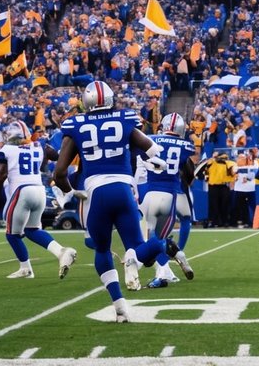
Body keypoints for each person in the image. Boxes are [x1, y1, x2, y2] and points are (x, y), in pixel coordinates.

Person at [52, 80, 178, 323]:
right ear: (110, 99)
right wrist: (155, 161)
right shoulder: (125, 119)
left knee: (101, 249)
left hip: (96, 192)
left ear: (86, 101)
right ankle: (162, 246)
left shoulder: (75, 124)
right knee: (139, 247)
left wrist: (71, 192)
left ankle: (120, 306)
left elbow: (59, 172)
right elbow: (151, 148)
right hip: (124, 189)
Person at [0, 119, 77, 279]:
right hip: (39, 190)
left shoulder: (7, 149)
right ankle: (61, 252)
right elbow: (57, 156)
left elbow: (0, 176)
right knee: (32, 230)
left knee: (12, 234)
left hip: (21, 191)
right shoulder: (39, 146)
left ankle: (26, 268)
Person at [140, 112, 197, 287]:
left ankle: (163, 271)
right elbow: (189, 173)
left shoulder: (149, 139)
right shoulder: (185, 145)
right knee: (159, 237)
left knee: (150, 238)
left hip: (147, 193)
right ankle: (174, 257)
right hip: (170, 193)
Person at [205, 151, 234, 228]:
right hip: (213, 186)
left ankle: (225, 222)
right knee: (214, 205)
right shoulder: (211, 162)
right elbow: (206, 165)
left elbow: (232, 171)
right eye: (223, 157)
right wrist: (214, 157)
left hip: (224, 186)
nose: (224, 159)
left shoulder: (228, 164)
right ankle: (214, 221)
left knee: (225, 205)